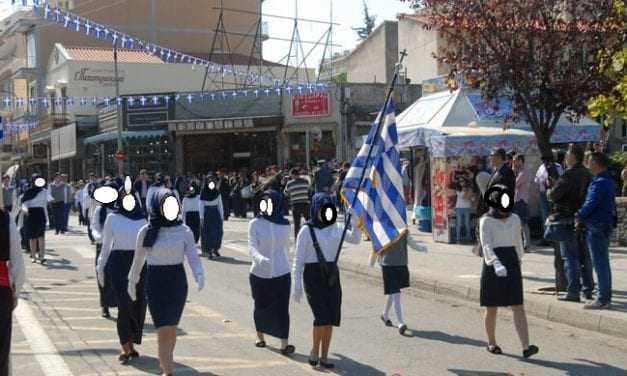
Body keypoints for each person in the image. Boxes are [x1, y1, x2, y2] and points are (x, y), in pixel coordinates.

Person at [128, 189, 204, 376]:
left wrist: (199, 274)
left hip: (177, 282)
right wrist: (132, 281)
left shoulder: (184, 230)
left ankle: (166, 364)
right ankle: (167, 372)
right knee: (162, 329)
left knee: (171, 329)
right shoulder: (146, 231)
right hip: (156, 282)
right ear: (157, 206)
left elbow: (193, 257)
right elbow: (138, 260)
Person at [292, 193, 361, 369]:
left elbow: (355, 239)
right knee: (321, 317)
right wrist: (296, 285)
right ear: (315, 209)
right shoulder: (306, 230)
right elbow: (298, 260)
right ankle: (314, 351)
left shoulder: (336, 227)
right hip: (313, 277)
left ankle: (324, 356)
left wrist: (353, 218)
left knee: (330, 318)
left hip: (331, 275)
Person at [479, 185, 539, 358]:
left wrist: (520, 258)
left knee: (518, 305)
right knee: (492, 307)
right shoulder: (486, 220)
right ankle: (491, 343)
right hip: (493, 263)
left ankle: (526, 346)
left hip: (511, 261)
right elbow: (486, 245)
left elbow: (518, 240)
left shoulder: (515, 219)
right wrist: (496, 263)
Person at [96, 186, 148, 364]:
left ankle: (132, 343)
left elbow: (149, 247)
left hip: (139, 263)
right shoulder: (112, 217)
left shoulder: (142, 218)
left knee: (138, 305)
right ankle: (125, 346)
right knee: (125, 305)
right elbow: (106, 245)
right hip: (119, 264)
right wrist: (100, 266)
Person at [248, 190, 295, 355]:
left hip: (282, 272)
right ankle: (260, 337)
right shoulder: (255, 223)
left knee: (282, 308)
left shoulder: (285, 224)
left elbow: (287, 248)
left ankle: (284, 343)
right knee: (260, 306)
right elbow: (252, 246)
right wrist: (260, 258)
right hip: (260, 273)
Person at [548, 144, 594, 302]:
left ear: (573, 156)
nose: (565, 156)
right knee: (584, 256)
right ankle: (588, 289)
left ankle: (573, 291)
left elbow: (554, 195)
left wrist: (550, 189)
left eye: (567, 153)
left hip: (567, 218)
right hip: (582, 218)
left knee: (570, 257)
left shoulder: (569, 174)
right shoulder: (587, 174)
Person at [576, 152, 617, 310]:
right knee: (603, 263)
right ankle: (604, 296)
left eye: (590, 161)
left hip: (596, 225)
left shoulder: (599, 182)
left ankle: (603, 299)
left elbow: (591, 203)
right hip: (604, 224)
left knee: (600, 264)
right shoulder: (608, 180)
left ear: (598, 163)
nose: (588, 163)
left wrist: (578, 214)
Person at [0, 206, 25, 376]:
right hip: (1, 290)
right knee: (1, 348)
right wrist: (16, 290)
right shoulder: (5, 218)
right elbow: (17, 258)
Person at [91, 181, 119, 318]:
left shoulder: (120, 209)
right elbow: (94, 227)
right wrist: (101, 238)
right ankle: (105, 305)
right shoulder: (99, 210)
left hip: (118, 247)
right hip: (102, 246)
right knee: (102, 274)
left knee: (117, 276)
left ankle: (119, 303)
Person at [372, 232, 409, 335]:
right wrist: (372, 260)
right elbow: (376, 246)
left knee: (392, 293)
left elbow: (410, 241)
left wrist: (420, 247)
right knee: (396, 293)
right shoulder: (383, 230)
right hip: (387, 265)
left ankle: (385, 315)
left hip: (400, 264)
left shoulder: (403, 230)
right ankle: (400, 322)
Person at [21, 174, 50, 264]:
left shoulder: (44, 191)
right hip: (31, 214)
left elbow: (46, 204)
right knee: (32, 238)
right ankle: (33, 256)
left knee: (41, 237)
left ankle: (42, 256)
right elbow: (24, 204)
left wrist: (47, 218)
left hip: (41, 214)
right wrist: (25, 210)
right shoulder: (28, 191)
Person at [200, 173, 224, 259]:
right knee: (207, 233)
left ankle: (215, 249)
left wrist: (222, 216)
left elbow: (220, 205)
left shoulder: (217, 192)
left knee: (218, 232)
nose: (210, 182)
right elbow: (201, 205)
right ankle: (209, 251)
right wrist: (201, 217)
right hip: (207, 213)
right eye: (208, 180)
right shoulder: (203, 192)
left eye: (212, 180)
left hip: (215, 213)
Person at [285, 168, 311, 239]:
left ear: (293, 175)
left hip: (295, 205)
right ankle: (312, 236)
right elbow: (308, 189)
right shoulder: (306, 181)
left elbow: (286, 193)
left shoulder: (289, 183)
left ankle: (297, 239)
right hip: (305, 204)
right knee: (309, 221)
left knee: (297, 224)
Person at [512, 155, 531, 251]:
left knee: (523, 222)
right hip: (517, 199)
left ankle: (527, 244)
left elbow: (514, 183)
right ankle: (521, 243)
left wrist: (513, 171)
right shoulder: (520, 172)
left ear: (520, 161)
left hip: (521, 200)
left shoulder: (524, 172)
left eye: (515, 161)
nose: (514, 163)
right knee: (518, 223)